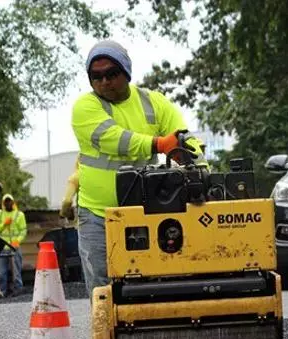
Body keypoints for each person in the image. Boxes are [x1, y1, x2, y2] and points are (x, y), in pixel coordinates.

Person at [71, 39, 206, 297]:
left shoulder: (154, 103)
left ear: (126, 72)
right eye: (95, 76)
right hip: (99, 216)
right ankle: (105, 338)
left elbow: (184, 141)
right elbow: (115, 140)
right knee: (103, 289)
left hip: (147, 213)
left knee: (150, 282)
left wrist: (199, 167)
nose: (104, 81)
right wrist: (159, 144)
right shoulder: (85, 107)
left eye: (111, 74)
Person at [0, 193, 27, 295]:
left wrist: (18, 241)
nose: (8, 203)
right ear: (3, 203)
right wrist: (4, 224)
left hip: (14, 247)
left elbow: (23, 231)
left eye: (9, 201)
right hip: (1, 247)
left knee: (16, 272)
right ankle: (2, 291)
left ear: (12, 202)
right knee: (1, 272)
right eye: (6, 201)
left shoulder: (19, 215)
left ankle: (18, 290)